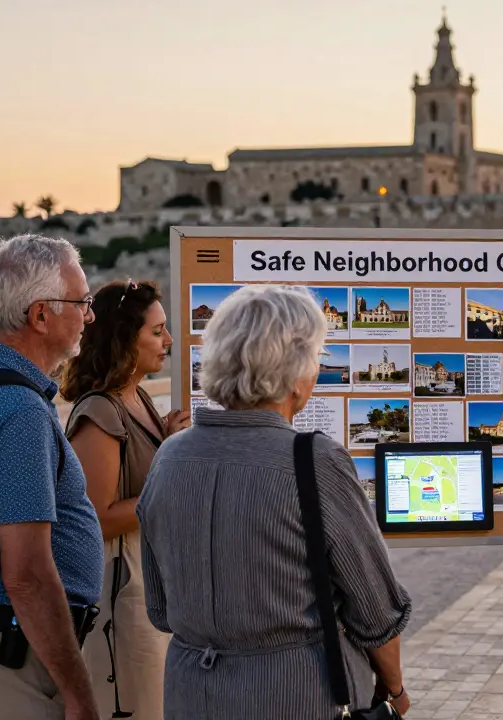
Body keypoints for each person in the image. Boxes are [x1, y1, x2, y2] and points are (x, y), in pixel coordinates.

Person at [136, 284, 413, 719]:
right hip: (297, 695)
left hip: (192, 694)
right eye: (317, 357)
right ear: (295, 369)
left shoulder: (170, 457)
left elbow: (161, 608)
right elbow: (376, 612)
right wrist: (394, 690)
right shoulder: (315, 460)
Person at [0, 234, 104, 719]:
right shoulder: (17, 410)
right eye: (82, 302)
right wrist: (78, 692)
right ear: (40, 316)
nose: (89, 315)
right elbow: (27, 575)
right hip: (12, 656)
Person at [60, 279, 191, 719]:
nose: (169, 341)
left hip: (151, 593)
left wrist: (168, 442)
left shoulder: (138, 399)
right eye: (157, 332)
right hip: (122, 604)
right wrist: (170, 468)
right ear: (123, 339)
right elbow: (94, 520)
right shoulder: (100, 412)